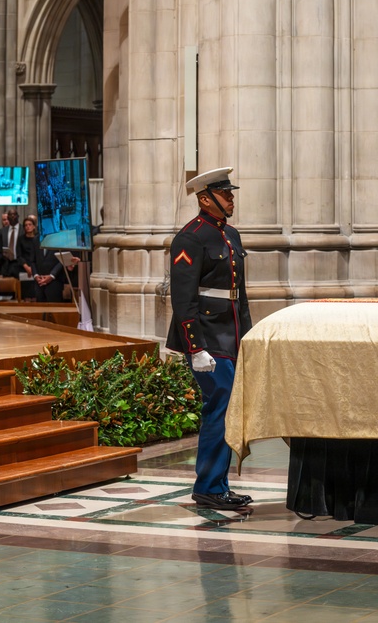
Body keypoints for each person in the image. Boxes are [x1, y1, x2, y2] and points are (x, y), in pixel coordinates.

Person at [165, 167, 253, 510]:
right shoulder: (190, 237)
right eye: (225, 194)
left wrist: (246, 336)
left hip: (230, 334)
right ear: (205, 198)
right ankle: (209, 487)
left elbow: (238, 294)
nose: (231, 199)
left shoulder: (231, 235)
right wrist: (195, 347)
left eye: (231, 193)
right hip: (205, 337)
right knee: (220, 407)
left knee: (226, 408)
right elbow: (183, 297)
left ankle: (216, 484)